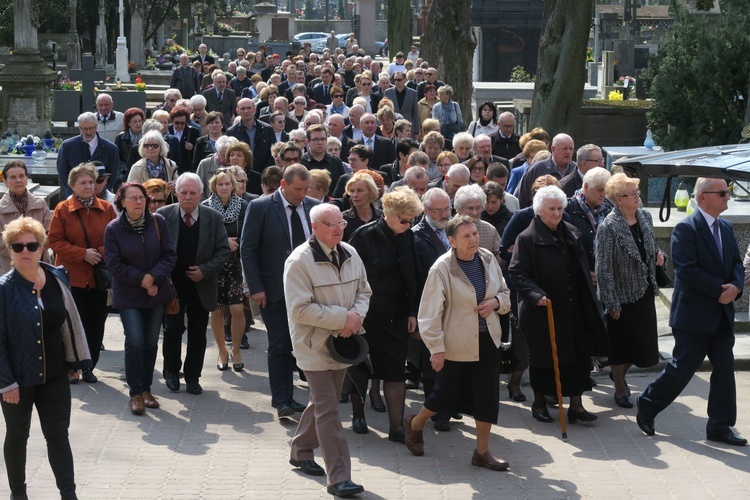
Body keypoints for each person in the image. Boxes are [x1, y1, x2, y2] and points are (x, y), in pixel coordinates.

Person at [637, 178, 746, 446]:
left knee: (724, 368)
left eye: (728, 192)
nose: (727, 197)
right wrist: (721, 290)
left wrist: (736, 286)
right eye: (722, 193)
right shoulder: (686, 229)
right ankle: (648, 404)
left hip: (721, 314)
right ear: (702, 196)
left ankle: (720, 426)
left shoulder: (727, 227)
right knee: (683, 367)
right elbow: (686, 270)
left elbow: (736, 263)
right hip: (694, 315)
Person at [404, 215, 511, 471]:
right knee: (444, 396)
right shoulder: (441, 268)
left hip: (488, 340)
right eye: (466, 236)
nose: (473, 239)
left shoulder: (487, 258)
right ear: (451, 241)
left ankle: (482, 452)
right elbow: (429, 314)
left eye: (474, 233)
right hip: (455, 344)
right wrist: (436, 349)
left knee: (487, 396)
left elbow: (505, 292)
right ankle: (416, 424)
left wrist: (495, 303)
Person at [0, 217, 92, 500]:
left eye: (31, 245)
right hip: (18, 379)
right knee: (18, 436)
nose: (25, 251)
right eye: (18, 246)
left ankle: (69, 495)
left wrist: (74, 362)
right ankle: (18, 494)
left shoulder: (56, 278)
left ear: (42, 247)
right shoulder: (3, 289)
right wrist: (6, 383)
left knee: (58, 435)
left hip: (55, 375)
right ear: (9, 250)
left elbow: (67, 323)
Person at [283, 204, 370, 497]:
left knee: (324, 403)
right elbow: (299, 310)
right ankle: (339, 477)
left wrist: (354, 318)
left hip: (343, 342)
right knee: (330, 409)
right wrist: (341, 319)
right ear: (315, 227)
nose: (338, 228)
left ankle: (300, 449)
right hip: (314, 347)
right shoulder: (299, 261)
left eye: (341, 223)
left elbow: (364, 292)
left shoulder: (351, 253)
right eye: (331, 224)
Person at [509, 185, 607, 424]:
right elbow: (518, 273)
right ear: (539, 210)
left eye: (560, 208)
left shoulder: (571, 232)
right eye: (551, 209)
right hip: (544, 311)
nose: (557, 213)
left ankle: (576, 405)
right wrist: (536, 295)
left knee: (576, 357)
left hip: (573, 307)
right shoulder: (527, 239)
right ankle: (540, 402)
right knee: (544, 360)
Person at [241, 164, 319, 418]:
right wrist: (255, 287)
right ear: (283, 185)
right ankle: (282, 399)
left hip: (309, 289)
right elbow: (248, 249)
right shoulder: (261, 207)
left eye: (306, 188)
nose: (302, 194)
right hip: (273, 289)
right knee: (280, 343)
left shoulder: (312, 206)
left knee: (303, 344)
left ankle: (300, 397)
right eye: (298, 189)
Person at [348, 187, 421, 443]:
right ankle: (358, 416)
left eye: (412, 220)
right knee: (359, 368)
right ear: (389, 213)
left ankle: (397, 428)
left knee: (395, 372)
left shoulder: (408, 236)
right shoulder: (363, 236)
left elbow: (411, 276)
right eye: (403, 219)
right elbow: (350, 279)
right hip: (366, 318)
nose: (408, 224)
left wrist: (413, 311)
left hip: (396, 316)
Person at [104, 183, 177, 414]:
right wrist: (141, 279)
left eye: (142, 198)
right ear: (122, 202)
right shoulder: (114, 228)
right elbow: (113, 264)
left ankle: (147, 390)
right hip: (129, 295)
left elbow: (169, 254)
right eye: (133, 198)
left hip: (156, 293)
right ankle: (135, 393)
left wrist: (153, 277)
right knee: (135, 340)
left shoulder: (158, 222)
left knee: (150, 342)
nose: (139, 202)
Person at [157, 173, 231, 395]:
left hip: (202, 285)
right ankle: (171, 372)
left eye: (193, 193)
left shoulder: (213, 217)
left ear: (201, 194)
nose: (188, 197)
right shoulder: (162, 216)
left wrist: (205, 270)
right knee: (172, 330)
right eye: (183, 192)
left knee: (198, 333)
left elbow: (223, 250)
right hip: (172, 286)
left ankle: (192, 377)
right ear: (176, 193)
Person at [595, 173, 662, 410]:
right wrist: (611, 303)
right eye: (631, 194)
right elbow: (603, 267)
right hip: (621, 296)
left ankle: (620, 376)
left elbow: (650, 245)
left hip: (643, 290)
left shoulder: (645, 217)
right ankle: (620, 388)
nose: (636, 197)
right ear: (618, 199)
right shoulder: (608, 227)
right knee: (621, 346)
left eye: (637, 192)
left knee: (642, 346)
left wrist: (659, 254)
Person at [48, 164, 117, 384]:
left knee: (96, 323)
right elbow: (55, 241)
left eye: (91, 182)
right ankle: (72, 368)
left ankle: (89, 366)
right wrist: (82, 254)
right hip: (71, 277)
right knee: (70, 326)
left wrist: (97, 253)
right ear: (72, 186)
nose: (88, 186)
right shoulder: (62, 209)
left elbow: (116, 240)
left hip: (98, 277)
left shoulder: (106, 208)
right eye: (83, 183)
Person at [202, 169, 249, 374]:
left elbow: (249, 235)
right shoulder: (205, 207)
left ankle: (236, 350)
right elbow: (201, 239)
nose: (223, 187)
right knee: (216, 310)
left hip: (236, 265)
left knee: (237, 309)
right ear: (214, 186)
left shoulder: (244, 207)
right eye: (220, 184)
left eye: (227, 184)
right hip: (214, 266)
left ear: (233, 186)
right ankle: (222, 352)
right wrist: (222, 243)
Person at [0, 161, 52, 274]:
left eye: (21, 176)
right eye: (13, 177)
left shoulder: (40, 203)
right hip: (10, 269)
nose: (18, 180)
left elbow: (51, 233)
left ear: (27, 178)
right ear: (5, 182)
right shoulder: (1, 209)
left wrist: (35, 250)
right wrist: (24, 250)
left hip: (41, 267)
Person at [57, 112, 119, 195]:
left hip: (101, 196)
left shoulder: (111, 148)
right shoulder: (67, 146)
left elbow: (113, 174)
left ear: (96, 127)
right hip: (75, 195)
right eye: (85, 129)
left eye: (91, 128)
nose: (88, 132)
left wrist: (102, 190)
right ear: (79, 128)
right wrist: (74, 188)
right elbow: (62, 171)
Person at [565, 167, 614, 269]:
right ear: (586, 186)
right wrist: (584, 272)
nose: (603, 195)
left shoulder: (608, 209)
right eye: (600, 190)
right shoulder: (567, 209)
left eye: (606, 191)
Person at [515, 133, 576, 209]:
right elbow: (519, 199)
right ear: (553, 149)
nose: (568, 152)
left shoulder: (576, 170)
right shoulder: (536, 169)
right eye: (564, 148)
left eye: (571, 149)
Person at [341, 171, 382, 242]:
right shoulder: (343, 219)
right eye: (352, 191)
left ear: (371, 192)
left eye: (360, 190)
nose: (355, 195)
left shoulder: (383, 217)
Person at [114, 108, 146, 185]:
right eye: (135, 121)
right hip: (126, 173)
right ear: (128, 123)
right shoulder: (120, 137)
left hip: (144, 171)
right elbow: (116, 157)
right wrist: (124, 168)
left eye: (140, 121)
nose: (138, 124)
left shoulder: (147, 137)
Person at [384, 72, 420, 137]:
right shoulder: (388, 92)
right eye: (395, 80)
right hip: (392, 128)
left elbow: (415, 113)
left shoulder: (413, 93)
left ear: (405, 80)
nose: (396, 82)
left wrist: (416, 131)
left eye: (399, 80)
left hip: (408, 128)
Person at [169, 106, 201, 174]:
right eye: (177, 123)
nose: (180, 126)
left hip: (186, 169)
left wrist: (192, 148)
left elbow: (198, 153)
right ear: (172, 121)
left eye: (183, 123)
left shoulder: (193, 132)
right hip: (170, 168)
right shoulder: (167, 130)